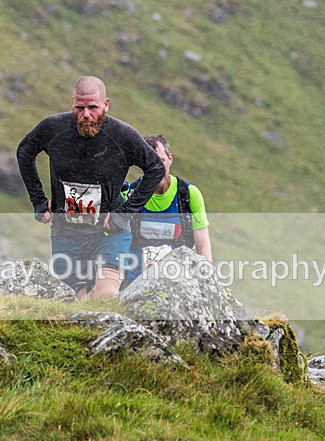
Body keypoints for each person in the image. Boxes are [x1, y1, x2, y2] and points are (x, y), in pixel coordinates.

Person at [16, 76, 165, 299]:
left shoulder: (121, 135)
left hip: (109, 231)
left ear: (106, 105)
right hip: (66, 231)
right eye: (80, 108)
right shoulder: (53, 128)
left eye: (93, 107)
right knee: (73, 301)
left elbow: (155, 168)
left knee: (105, 293)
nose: (86, 115)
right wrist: (38, 201)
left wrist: (124, 214)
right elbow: (24, 152)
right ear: (73, 104)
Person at [123, 134, 212, 284]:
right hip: (134, 283)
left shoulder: (189, 195)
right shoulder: (130, 194)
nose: (156, 168)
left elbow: (203, 246)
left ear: (170, 159)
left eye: (161, 161)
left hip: (179, 283)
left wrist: (206, 280)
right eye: (149, 163)